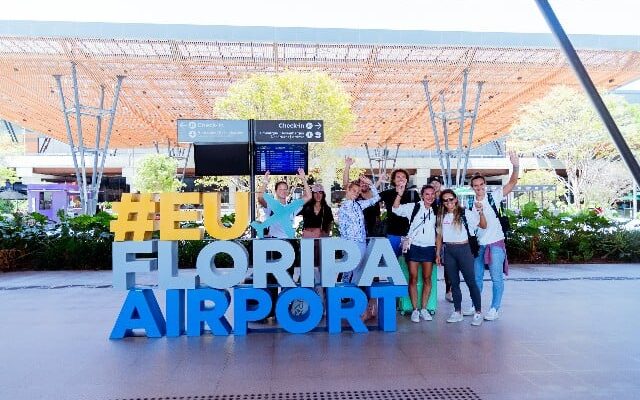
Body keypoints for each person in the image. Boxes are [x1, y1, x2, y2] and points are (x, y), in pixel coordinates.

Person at [468, 151, 519, 321]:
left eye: (481, 184)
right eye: (476, 185)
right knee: (477, 278)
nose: (479, 187)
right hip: (479, 245)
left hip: (496, 244)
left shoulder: (493, 197)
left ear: (485, 185)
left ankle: (494, 308)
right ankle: (476, 306)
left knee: (496, 278)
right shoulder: (470, 204)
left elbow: (512, 183)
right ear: (472, 187)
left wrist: (515, 165)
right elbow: (475, 227)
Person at [256, 168, 311, 321]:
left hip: (289, 245)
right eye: (280, 189)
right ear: (276, 191)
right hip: (274, 245)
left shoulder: (293, 206)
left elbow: (309, 196)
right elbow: (260, 197)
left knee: (288, 277)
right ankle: (271, 309)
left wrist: (303, 179)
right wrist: (265, 180)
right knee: (272, 278)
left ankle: (285, 307)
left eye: (286, 189)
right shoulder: (271, 206)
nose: (284, 191)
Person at [435, 189, 486, 326]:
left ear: (455, 199)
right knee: (454, 283)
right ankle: (457, 312)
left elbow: (483, 225)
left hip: (464, 250)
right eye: (445, 200)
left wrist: (480, 211)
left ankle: (478, 312)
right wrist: (438, 253)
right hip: (449, 251)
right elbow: (439, 236)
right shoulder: (441, 215)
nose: (449, 202)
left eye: (451, 199)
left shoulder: (465, 213)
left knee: (471, 282)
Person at [392, 184, 438, 323]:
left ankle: (424, 308)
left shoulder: (437, 210)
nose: (430, 197)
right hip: (414, 247)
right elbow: (395, 209)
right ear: (422, 195)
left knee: (427, 279)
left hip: (429, 247)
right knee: (412, 278)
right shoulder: (414, 207)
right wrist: (399, 194)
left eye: (432, 194)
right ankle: (415, 310)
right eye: (427, 194)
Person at [337, 176, 380, 320]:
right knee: (347, 274)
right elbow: (342, 229)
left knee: (358, 275)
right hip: (351, 245)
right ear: (347, 190)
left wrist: (371, 184)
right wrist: (346, 246)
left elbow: (376, 198)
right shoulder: (344, 207)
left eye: (358, 191)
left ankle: (353, 304)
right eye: (353, 191)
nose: (356, 193)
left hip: (362, 243)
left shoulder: (358, 205)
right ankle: (341, 302)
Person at [379, 169, 420, 255]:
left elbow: (418, 214)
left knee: (407, 264)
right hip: (391, 234)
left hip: (409, 235)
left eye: (403, 177)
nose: (401, 179)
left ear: (407, 180)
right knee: (391, 261)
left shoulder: (413, 194)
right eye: (398, 177)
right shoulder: (384, 194)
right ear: (393, 180)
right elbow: (382, 214)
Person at [342, 157, 384, 237]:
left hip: (373, 229)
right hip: (356, 232)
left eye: (366, 183)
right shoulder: (355, 197)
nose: (364, 184)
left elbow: (376, 195)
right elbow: (346, 184)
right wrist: (347, 165)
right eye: (362, 182)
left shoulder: (372, 193)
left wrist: (376, 181)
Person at [428, 175, 452, 303]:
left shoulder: (444, 199)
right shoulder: (427, 199)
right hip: (429, 236)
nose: (435, 185)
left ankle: (449, 290)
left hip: (445, 235)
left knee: (448, 264)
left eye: (437, 183)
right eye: (433, 183)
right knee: (429, 264)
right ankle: (429, 292)